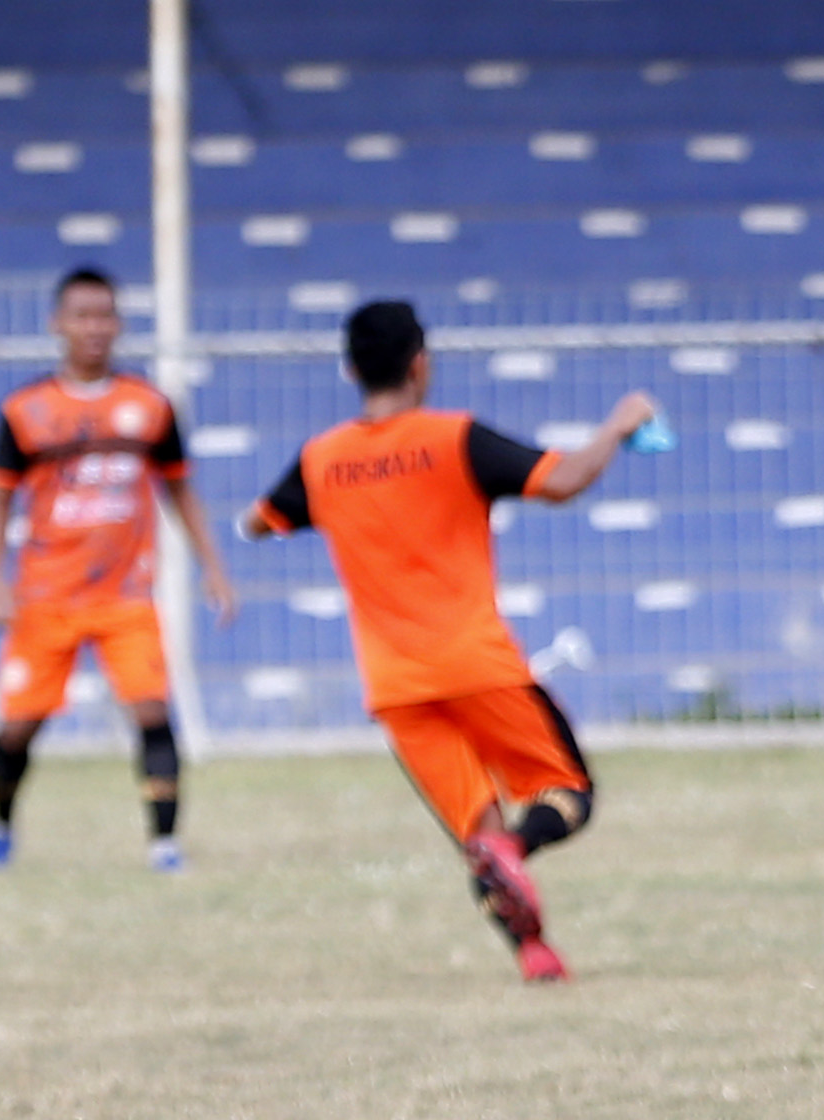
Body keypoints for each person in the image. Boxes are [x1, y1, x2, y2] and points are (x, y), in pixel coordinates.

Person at [240, 299, 651, 982]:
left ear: (350, 369)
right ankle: (517, 853)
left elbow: (259, 523)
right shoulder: (452, 438)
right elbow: (566, 479)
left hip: (395, 686)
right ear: (421, 363)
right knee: (566, 793)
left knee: (476, 831)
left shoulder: (320, 460)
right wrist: (620, 423)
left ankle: (536, 954)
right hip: (476, 663)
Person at [0, 266, 237, 874]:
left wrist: (214, 568)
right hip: (44, 595)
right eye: (82, 315)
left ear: (119, 324)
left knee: (151, 711)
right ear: (57, 324)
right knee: (18, 727)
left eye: (105, 315)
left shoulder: (148, 407)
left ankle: (164, 845)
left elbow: (181, 491)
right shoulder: (25, 411)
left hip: (125, 594)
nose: (94, 328)